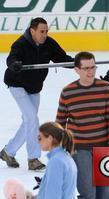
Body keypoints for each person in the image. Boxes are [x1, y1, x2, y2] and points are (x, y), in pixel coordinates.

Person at [0, 17, 73, 170]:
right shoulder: (20, 44)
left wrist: (77, 62)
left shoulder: (49, 43)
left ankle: (8, 151)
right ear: (32, 31)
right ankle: (33, 158)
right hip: (17, 84)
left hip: (34, 87)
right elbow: (11, 58)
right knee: (32, 118)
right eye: (41, 31)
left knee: (29, 121)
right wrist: (14, 64)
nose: (44, 34)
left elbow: (61, 58)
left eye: (46, 31)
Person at [56, 52, 109, 199]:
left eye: (93, 67)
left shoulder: (106, 88)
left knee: (106, 194)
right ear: (77, 70)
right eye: (86, 68)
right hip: (79, 148)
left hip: (104, 147)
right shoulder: (68, 91)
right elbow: (60, 122)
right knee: (88, 193)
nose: (91, 72)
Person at [37, 122, 77, 199]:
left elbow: (53, 195)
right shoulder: (65, 157)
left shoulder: (56, 161)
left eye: (40, 138)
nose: (38, 141)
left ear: (50, 138)